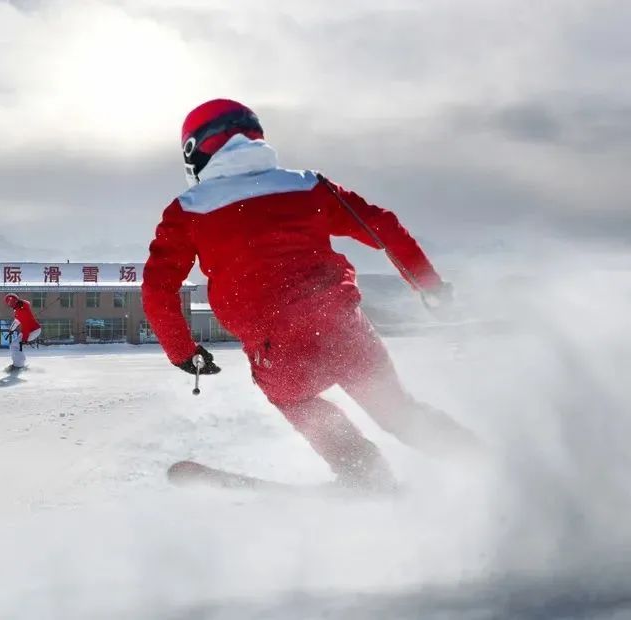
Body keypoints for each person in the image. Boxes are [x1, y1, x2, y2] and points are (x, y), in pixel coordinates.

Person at [142, 98, 477, 490]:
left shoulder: (189, 210)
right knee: (399, 413)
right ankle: (482, 461)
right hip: (342, 329)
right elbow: (381, 227)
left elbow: (158, 288)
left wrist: (184, 351)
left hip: (278, 350)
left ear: (195, 152)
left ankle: (363, 472)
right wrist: (428, 285)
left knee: (295, 399)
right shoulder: (307, 186)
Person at [3, 293, 41, 371]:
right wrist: (11, 329)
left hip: (33, 330)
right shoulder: (19, 308)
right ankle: (20, 363)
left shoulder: (21, 311)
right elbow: (17, 321)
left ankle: (18, 365)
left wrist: (24, 340)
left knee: (14, 345)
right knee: (16, 345)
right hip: (30, 330)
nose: (11, 306)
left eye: (11, 304)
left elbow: (26, 326)